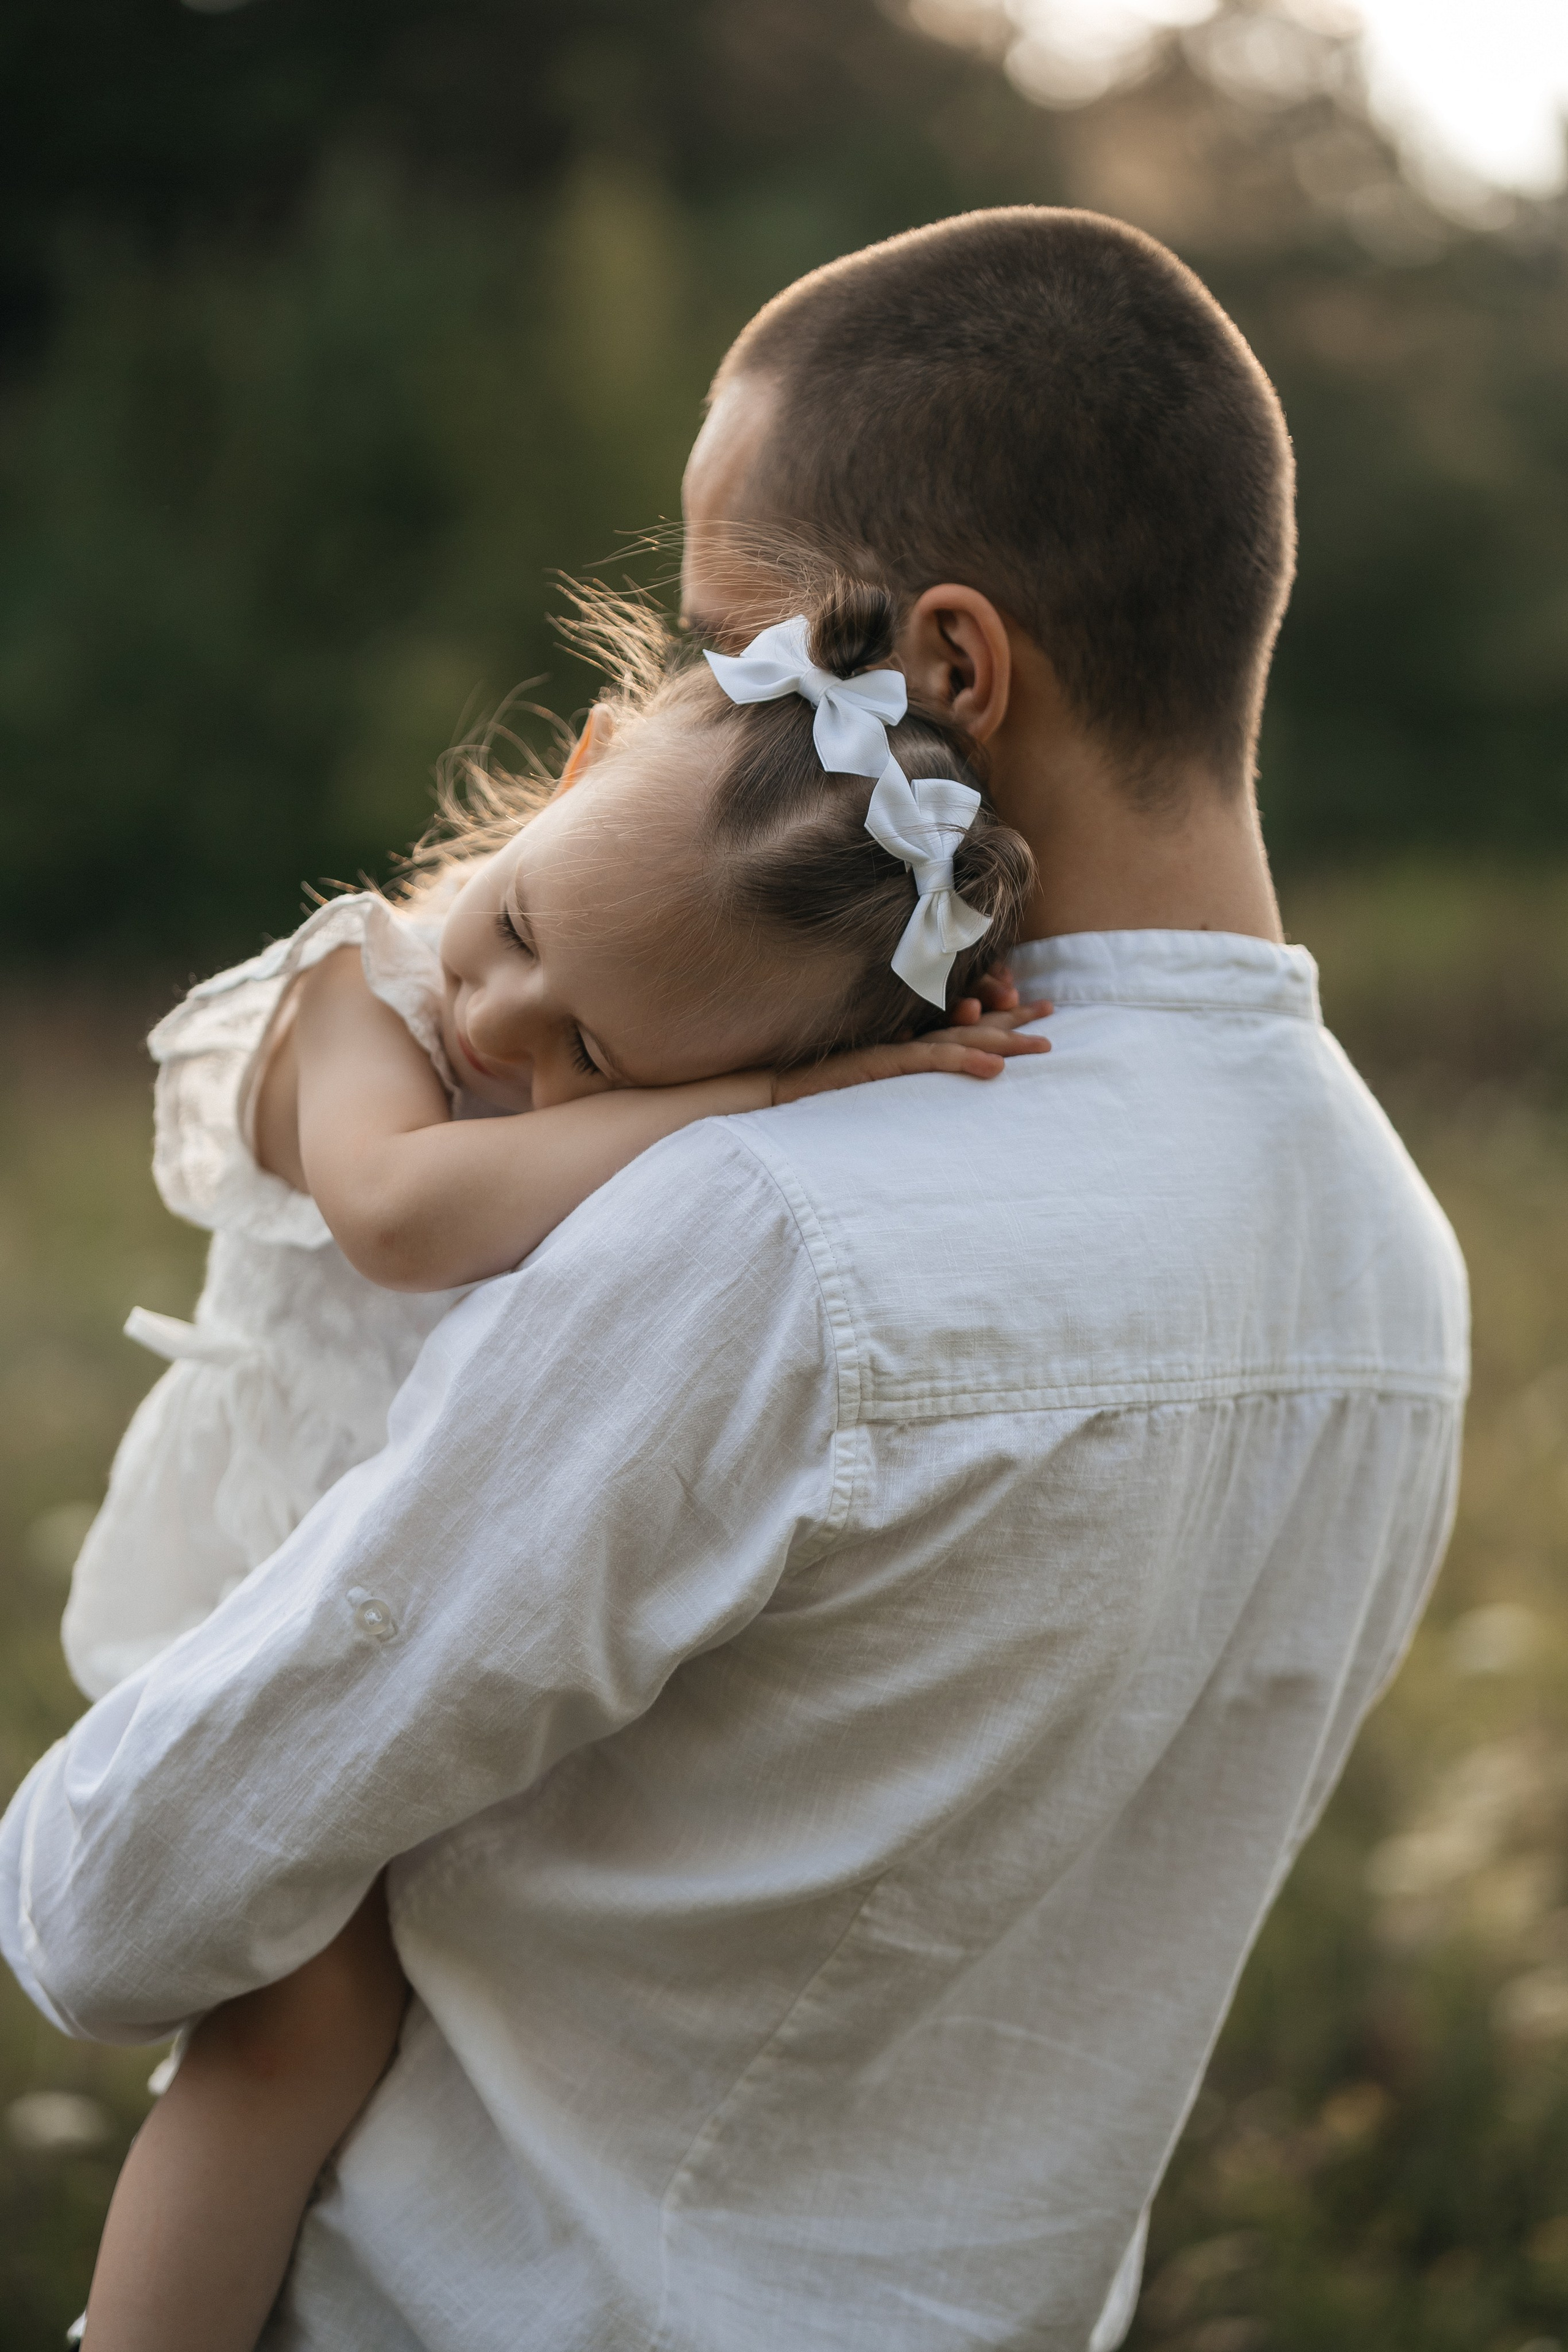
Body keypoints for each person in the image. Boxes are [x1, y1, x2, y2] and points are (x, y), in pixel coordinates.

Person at [0, 207, 1467, 2352]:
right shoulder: (1389, 1251)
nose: (684, 708)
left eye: (732, 644)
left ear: (949, 670)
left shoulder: (773, 1226)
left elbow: (113, 1903)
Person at [59, 578, 1048, 2352]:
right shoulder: (360, 987)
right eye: (518, 924)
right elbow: (400, 1214)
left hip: (449, 1592)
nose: (503, 1022)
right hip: (284, 1581)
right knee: (300, 2024)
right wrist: (738, 1108)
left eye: (591, 1046)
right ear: (578, 767)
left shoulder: (642, 1068)